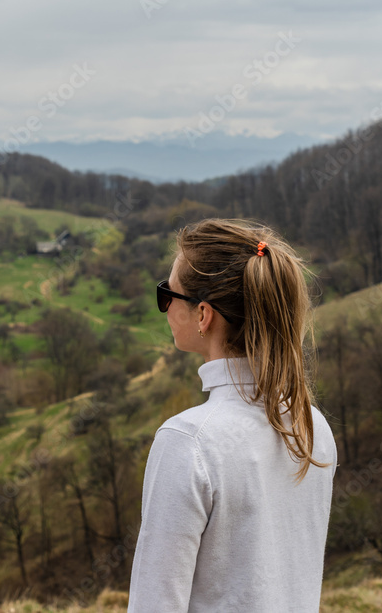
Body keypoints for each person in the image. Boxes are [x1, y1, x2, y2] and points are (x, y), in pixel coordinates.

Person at [127, 218, 337, 612]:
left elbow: (155, 603)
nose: (165, 306)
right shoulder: (311, 426)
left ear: (203, 315)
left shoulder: (187, 441)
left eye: (167, 294)